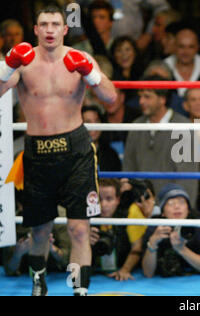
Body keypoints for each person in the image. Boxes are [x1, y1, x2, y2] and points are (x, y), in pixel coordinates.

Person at [0, 6, 117, 296]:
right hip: (38, 154)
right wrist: (8, 65)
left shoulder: (81, 58)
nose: (50, 29)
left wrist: (90, 74)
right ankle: (39, 284)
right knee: (40, 231)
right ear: (36, 30)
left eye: (56, 24)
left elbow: (111, 98)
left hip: (76, 152)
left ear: (65, 30)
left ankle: (80, 290)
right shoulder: (24, 62)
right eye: (44, 24)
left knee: (79, 229)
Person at [122, 75, 200, 209]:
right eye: (140, 96)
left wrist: (178, 209)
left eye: (147, 97)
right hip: (141, 208)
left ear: (162, 99)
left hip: (173, 209)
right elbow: (128, 170)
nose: (141, 101)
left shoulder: (183, 127)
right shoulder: (136, 126)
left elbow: (188, 178)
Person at [141, 184, 200, 278]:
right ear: (162, 212)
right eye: (170, 203)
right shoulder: (155, 228)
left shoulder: (198, 227)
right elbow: (148, 273)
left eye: (181, 202)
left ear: (188, 209)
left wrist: (181, 249)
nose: (177, 206)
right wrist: (152, 243)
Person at [164, 26, 200, 116]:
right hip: (170, 125)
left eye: (191, 47)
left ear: (197, 47)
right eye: (181, 46)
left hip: (199, 123)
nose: (186, 51)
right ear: (174, 46)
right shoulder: (163, 68)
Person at [90, 178, 131, 278]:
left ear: (118, 199)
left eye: (109, 199)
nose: (103, 205)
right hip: (94, 275)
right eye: (99, 199)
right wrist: (83, 242)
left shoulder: (129, 216)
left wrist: (125, 269)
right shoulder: (85, 221)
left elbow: (137, 249)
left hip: (121, 272)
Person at [82, 105, 121, 171]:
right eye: (88, 122)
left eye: (97, 121)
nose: (94, 126)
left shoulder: (110, 154)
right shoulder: (74, 153)